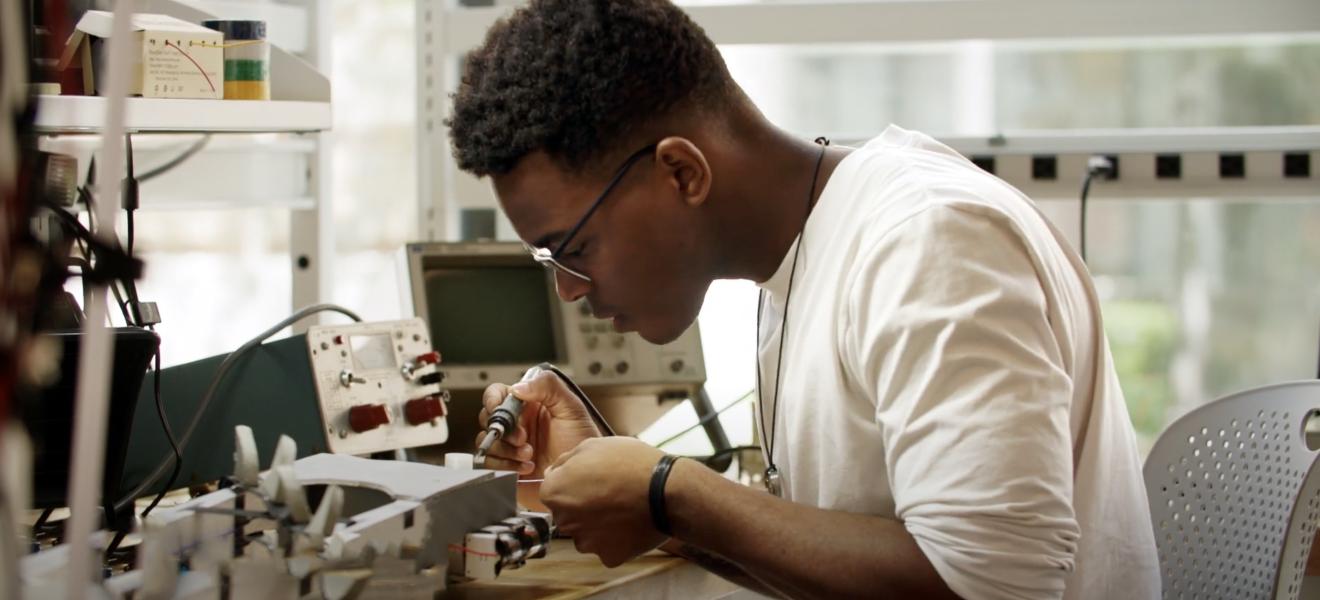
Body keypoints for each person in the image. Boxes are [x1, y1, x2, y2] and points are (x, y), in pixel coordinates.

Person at [446, 1, 1160, 598]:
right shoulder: (801, 263)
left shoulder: (927, 239)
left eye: (573, 246)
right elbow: (828, 560)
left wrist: (673, 490)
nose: (568, 288)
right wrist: (646, 504)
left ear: (681, 172)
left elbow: (993, 582)